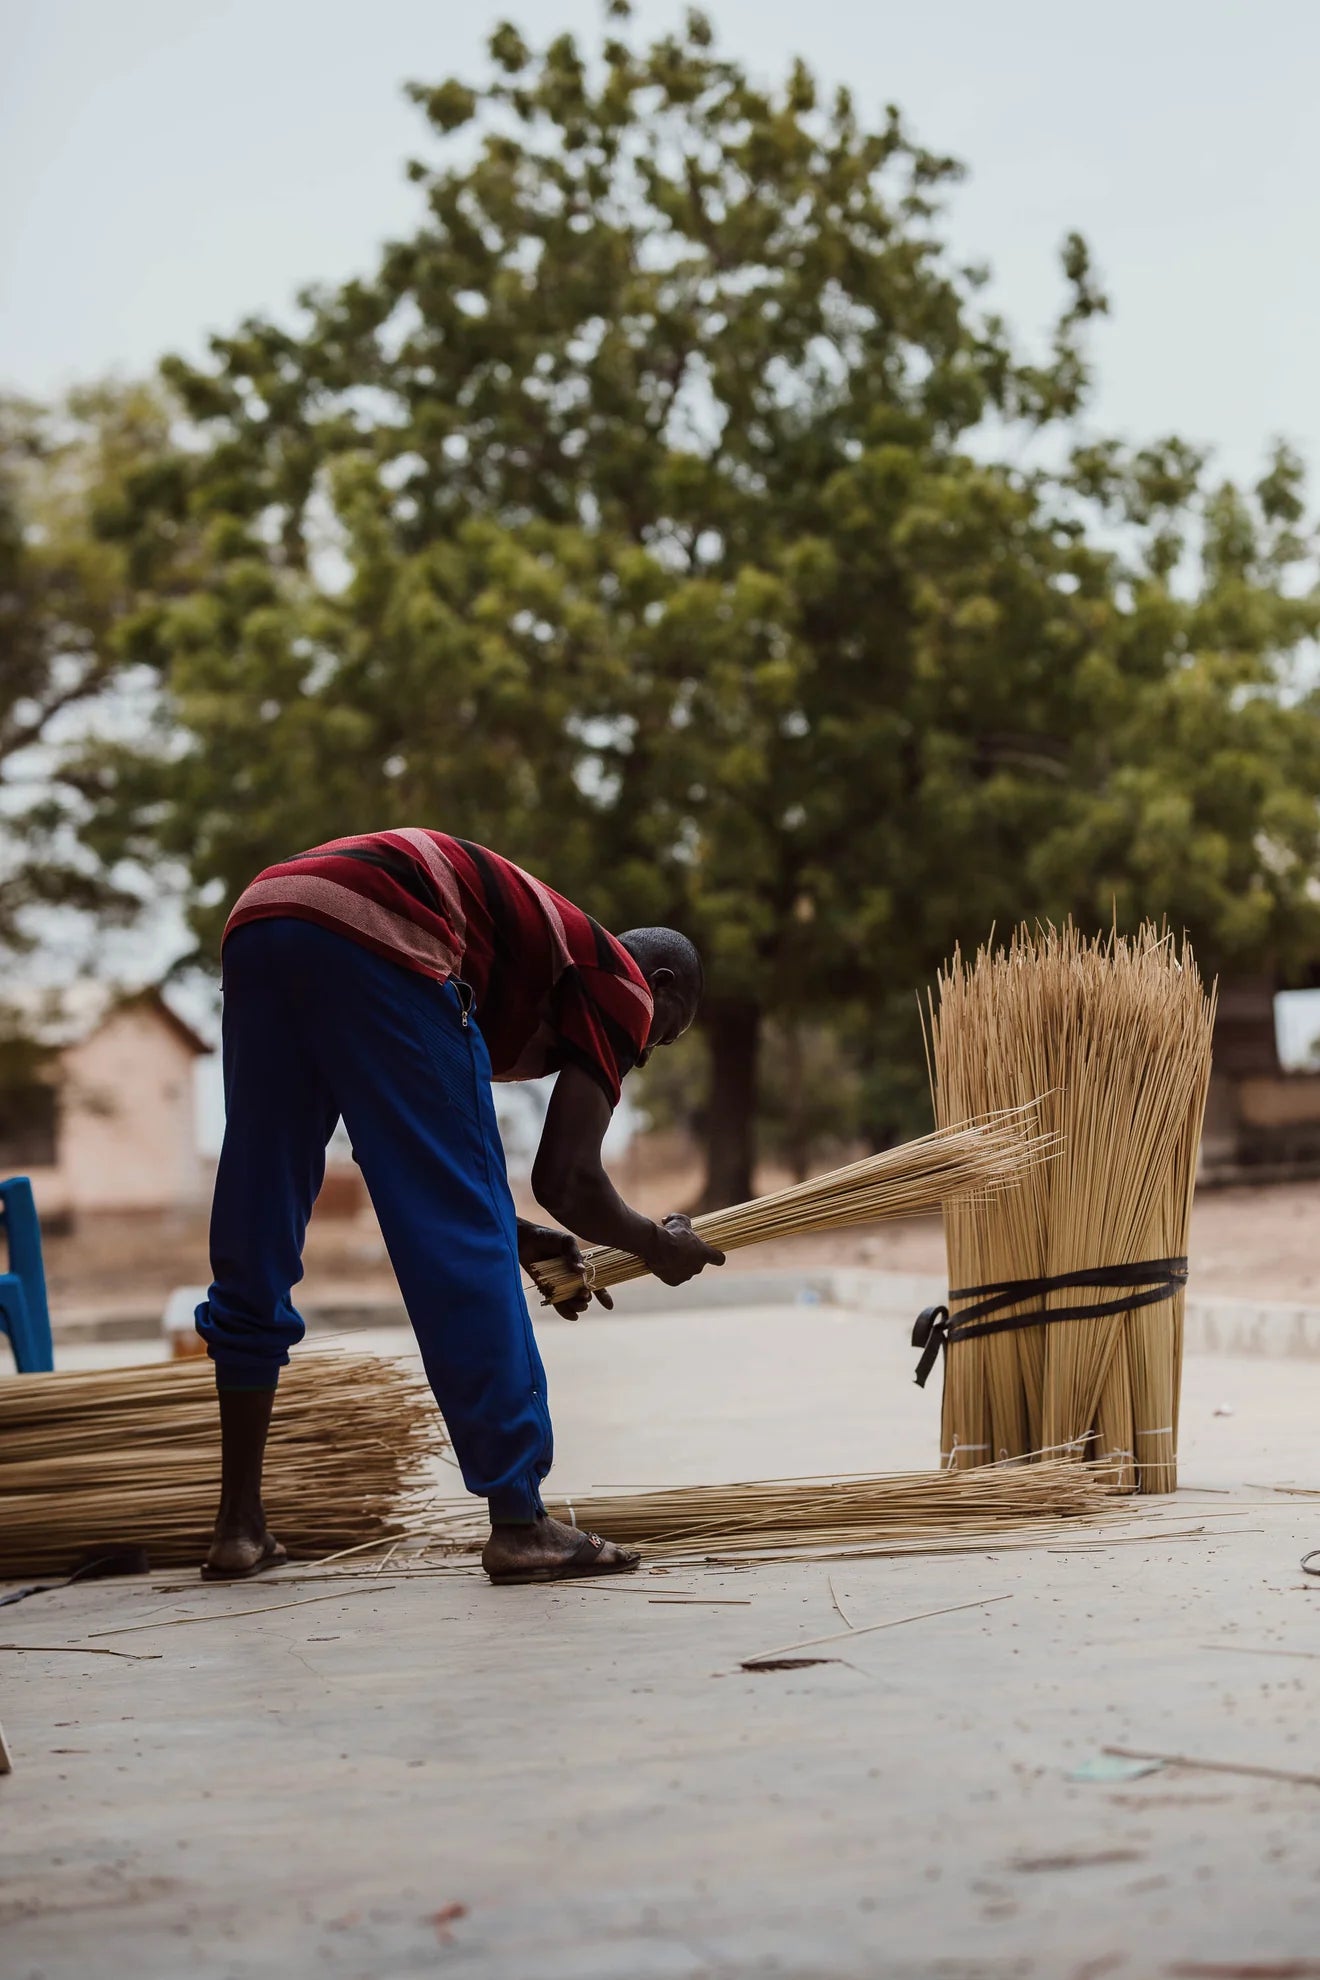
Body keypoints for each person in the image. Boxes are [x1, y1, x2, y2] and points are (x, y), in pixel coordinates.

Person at [195, 828, 724, 1585]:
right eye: (658, 1039)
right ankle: (521, 1522)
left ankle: (239, 1529)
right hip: (382, 923)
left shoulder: (532, 976)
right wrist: (655, 1244)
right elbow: (567, 1180)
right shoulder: (625, 982)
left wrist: (511, 1232)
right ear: (662, 984)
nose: (639, 1051)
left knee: (256, 1214)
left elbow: (416, 1158)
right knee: (462, 1245)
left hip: (264, 919)